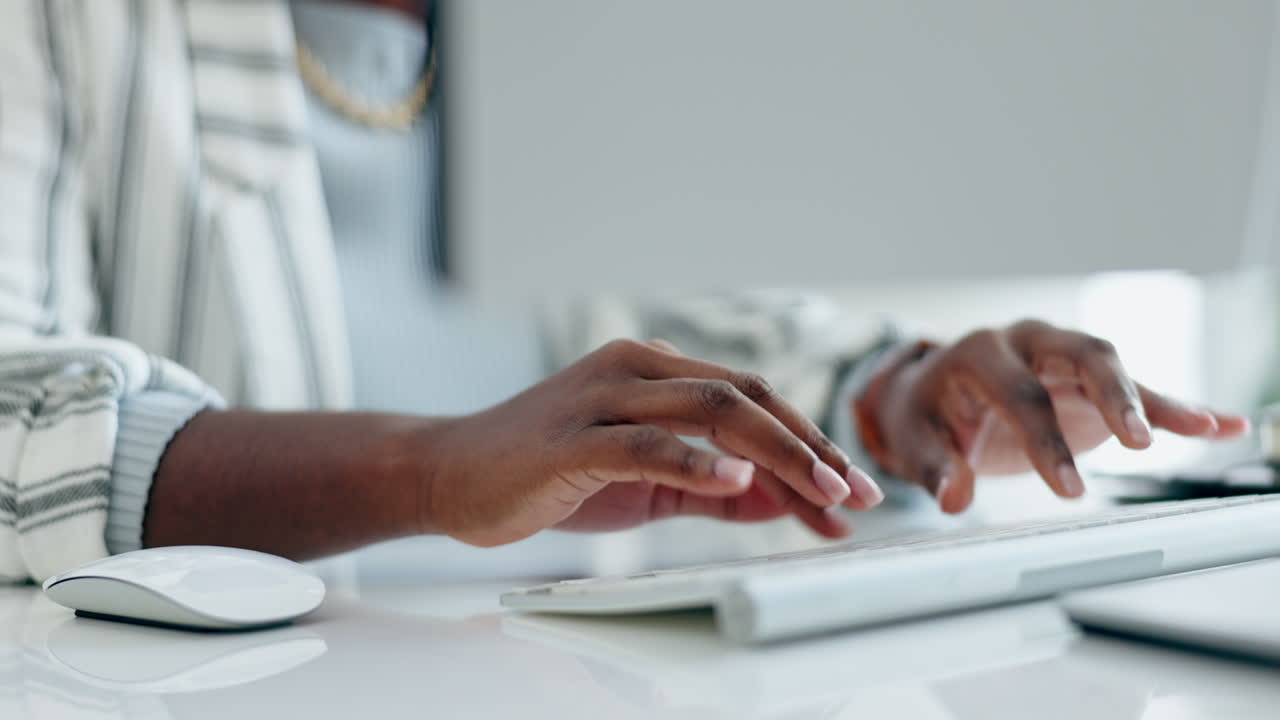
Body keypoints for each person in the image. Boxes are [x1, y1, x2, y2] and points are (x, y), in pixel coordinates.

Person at [0, 0, 1248, 583]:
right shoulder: (65, 24)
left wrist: (905, 394)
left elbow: (703, 346)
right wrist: (434, 472)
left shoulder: (551, 42)